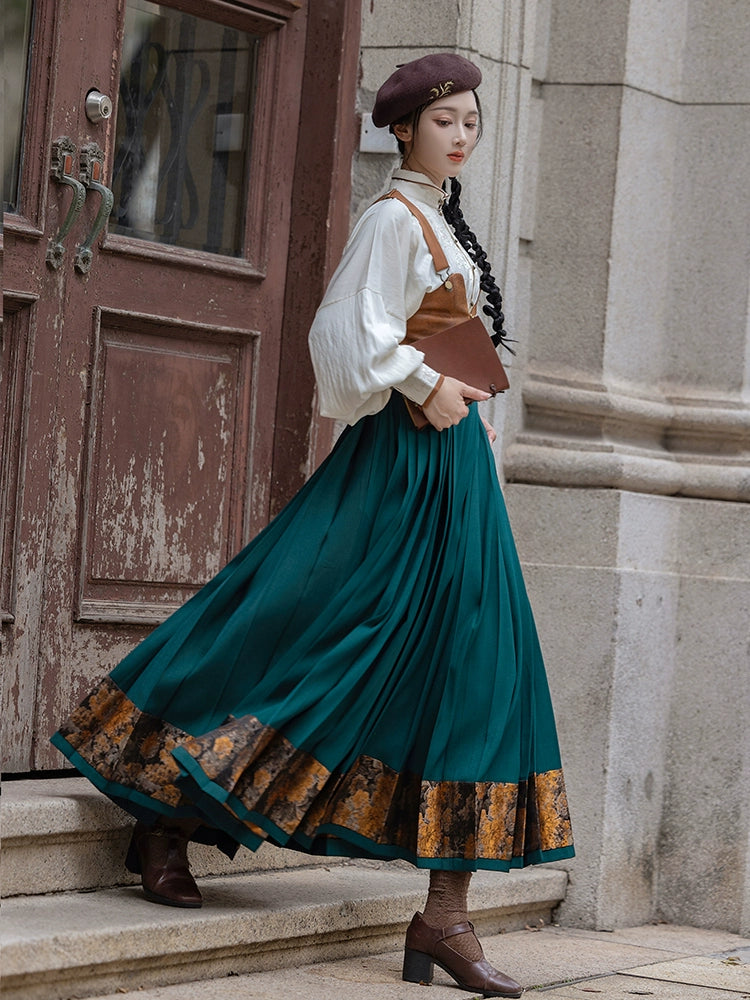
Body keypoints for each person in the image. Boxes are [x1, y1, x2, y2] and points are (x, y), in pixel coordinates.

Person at [52, 53, 574, 999]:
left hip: (457, 473)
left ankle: (446, 916)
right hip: (400, 468)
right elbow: (342, 335)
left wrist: (454, 391)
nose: (463, 134)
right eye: (446, 119)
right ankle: (165, 802)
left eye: (472, 121)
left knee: (476, 662)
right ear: (405, 128)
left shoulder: (444, 223)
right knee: (299, 618)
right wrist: (422, 380)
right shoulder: (390, 220)